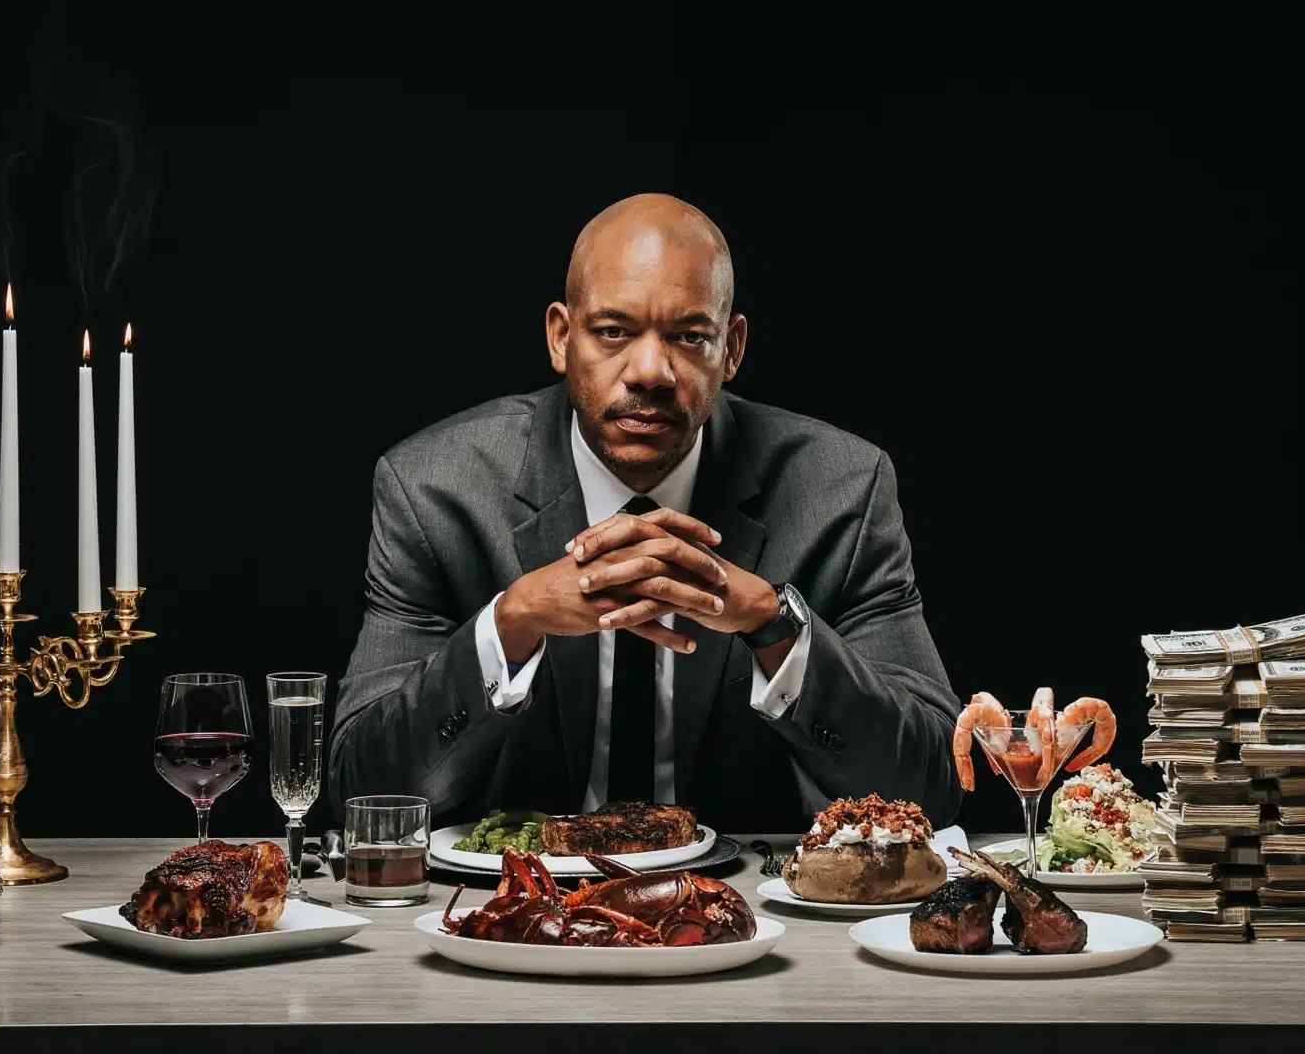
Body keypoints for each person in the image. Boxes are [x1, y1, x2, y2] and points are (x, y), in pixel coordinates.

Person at [330, 194, 963, 831]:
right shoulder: (436, 488)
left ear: (733, 347)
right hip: (508, 911)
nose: (651, 372)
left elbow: (931, 787)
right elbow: (363, 794)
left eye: (690, 337)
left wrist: (775, 626)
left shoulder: (840, 491)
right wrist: (512, 622)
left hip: (750, 914)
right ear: (560, 336)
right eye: (614, 332)